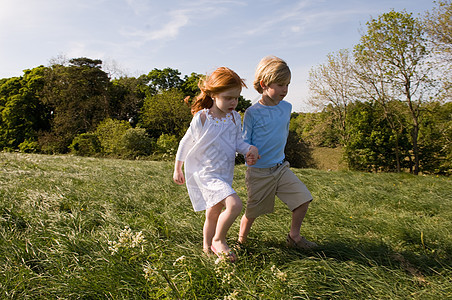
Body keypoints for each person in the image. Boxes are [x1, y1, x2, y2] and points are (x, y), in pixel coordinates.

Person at [173, 67, 259, 262]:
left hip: (224, 174)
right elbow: (185, 142)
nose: (233, 102)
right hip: (206, 174)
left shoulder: (235, 118)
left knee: (213, 213)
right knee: (234, 204)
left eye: (236, 98)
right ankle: (218, 240)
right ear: (213, 94)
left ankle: (206, 247)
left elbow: (238, 143)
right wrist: (178, 167)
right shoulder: (203, 118)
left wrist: (249, 149)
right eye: (228, 97)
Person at [238, 56, 317, 250]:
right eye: (280, 84)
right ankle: (241, 243)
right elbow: (244, 140)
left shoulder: (287, 108)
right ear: (264, 84)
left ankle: (294, 237)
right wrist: (249, 152)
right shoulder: (252, 112)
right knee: (252, 212)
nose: (285, 90)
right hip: (259, 172)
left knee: (303, 199)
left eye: (287, 84)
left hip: (281, 168)